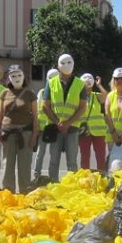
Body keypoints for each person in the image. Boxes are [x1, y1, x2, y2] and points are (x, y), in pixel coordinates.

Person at [42, 54, 87, 182]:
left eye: (69, 62)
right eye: (63, 63)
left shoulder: (80, 84)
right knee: (53, 161)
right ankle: (53, 187)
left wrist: (67, 123)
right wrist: (58, 123)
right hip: (55, 128)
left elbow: (82, 107)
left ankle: (71, 188)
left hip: (72, 128)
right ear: (58, 66)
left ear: (73, 64)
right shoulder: (51, 83)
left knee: (72, 162)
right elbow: (45, 106)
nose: (66, 65)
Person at [0, 65, 38, 193]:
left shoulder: (30, 94)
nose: (16, 78)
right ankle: (8, 192)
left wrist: (35, 135)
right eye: (13, 76)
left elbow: (35, 116)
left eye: (19, 75)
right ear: (9, 78)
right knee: (7, 164)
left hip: (25, 134)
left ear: (23, 77)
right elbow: (0, 115)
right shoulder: (4, 93)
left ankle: (25, 191)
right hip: (7, 133)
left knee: (24, 164)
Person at [78, 73, 108, 171]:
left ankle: (102, 178)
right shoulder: (77, 98)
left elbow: (107, 98)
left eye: (89, 85)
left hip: (98, 131)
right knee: (85, 157)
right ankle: (85, 179)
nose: (87, 88)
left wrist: (99, 85)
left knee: (101, 158)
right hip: (84, 131)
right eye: (85, 85)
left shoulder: (96, 96)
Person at [33, 68, 59, 179]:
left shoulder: (60, 93)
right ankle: (36, 175)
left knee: (54, 155)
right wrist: (37, 126)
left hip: (54, 127)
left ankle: (53, 177)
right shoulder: (42, 92)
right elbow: (38, 110)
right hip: (43, 128)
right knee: (40, 153)